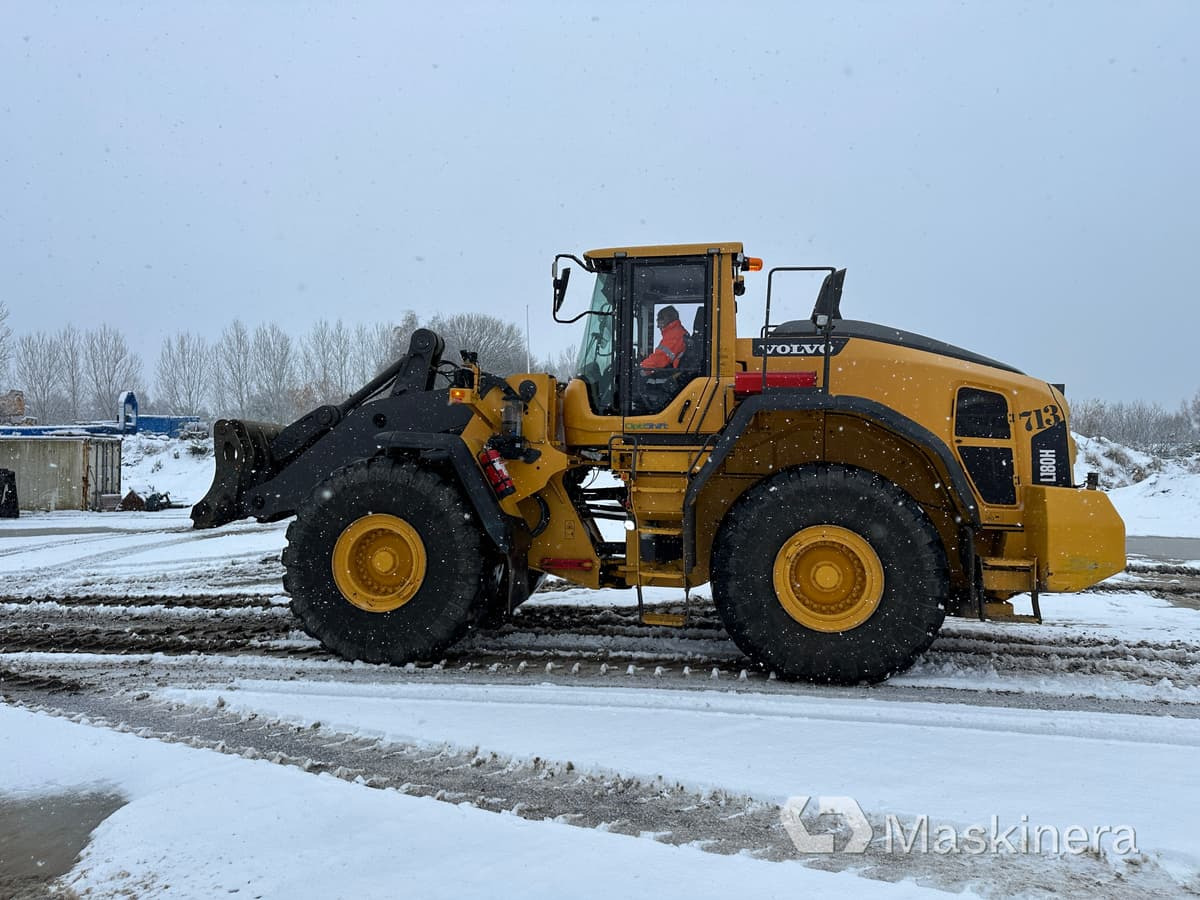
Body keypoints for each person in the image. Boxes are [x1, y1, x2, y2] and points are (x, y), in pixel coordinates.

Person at [641, 305, 689, 369]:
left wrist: (642, 369)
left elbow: (659, 359)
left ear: (667, 319)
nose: (658, 326)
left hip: (675, 376)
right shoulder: (676, 333)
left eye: (659, 320)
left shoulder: (674, 335)